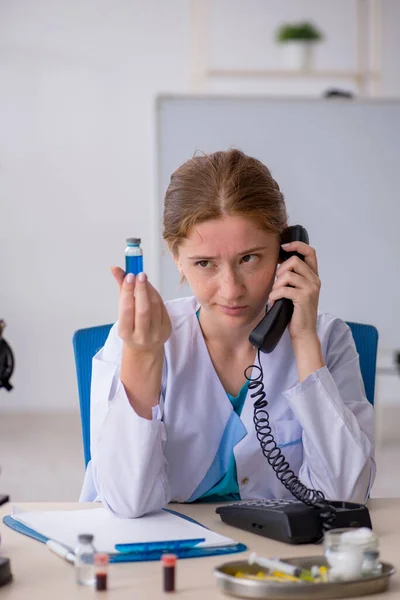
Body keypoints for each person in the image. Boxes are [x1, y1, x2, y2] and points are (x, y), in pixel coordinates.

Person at [79, 149, 375, 518]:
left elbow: (345, 498)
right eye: (204, 264)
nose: (231, 289)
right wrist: (143, 357)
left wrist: (302, 340)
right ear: (176, 257)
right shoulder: (138, 340)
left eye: (249, 258)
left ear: (287, 253)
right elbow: (128, 503)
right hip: (167, 556)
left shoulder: (327, 338)